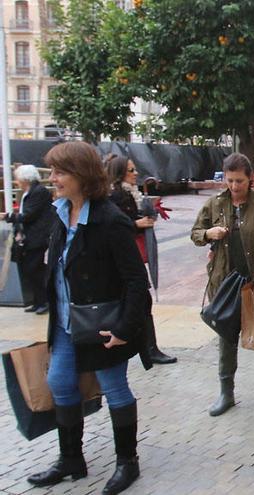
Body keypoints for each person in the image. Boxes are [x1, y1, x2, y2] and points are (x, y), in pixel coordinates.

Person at [27, 142, 151, 495]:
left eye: (59, 172)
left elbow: (135, 280)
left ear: (82, 175)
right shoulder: (59, 211)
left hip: (102, 324)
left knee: (114, 389)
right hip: (67, 323)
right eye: (52, 172)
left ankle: (127, 462)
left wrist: (126, 328)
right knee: (60, 383)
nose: (53, 179)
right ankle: (71, 459)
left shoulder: (110, 220)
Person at [190, 153, 254, 417]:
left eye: (240, 181)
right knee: (226, 338)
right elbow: (195, 233)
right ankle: (226, 392)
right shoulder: (215, 204)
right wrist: (208, 234)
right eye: (230, 181)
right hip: (225, 283)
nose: (234, 186)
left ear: (250, 179)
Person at [104, 155, 177, 365]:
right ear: (120, 173)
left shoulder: (128, 193)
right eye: (131, 169)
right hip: (125, 259)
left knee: (142, 300)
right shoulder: (117, 195)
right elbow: (117, 223)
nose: (135, 173)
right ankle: (147, 348)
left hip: (132, 255)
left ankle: (148, 347)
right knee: (141, 299)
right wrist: (137, 224)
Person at [1, 165, 53, 314]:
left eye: (18, 179)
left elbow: (30, 214)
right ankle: (37, 301)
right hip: (30, 237)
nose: (16, 182)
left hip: (38, 237)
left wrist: (9, 217)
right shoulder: (29, 193)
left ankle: (44, 301)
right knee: (31, 270)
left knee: (36, 270)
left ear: (25, 179)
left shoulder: (38, 192)